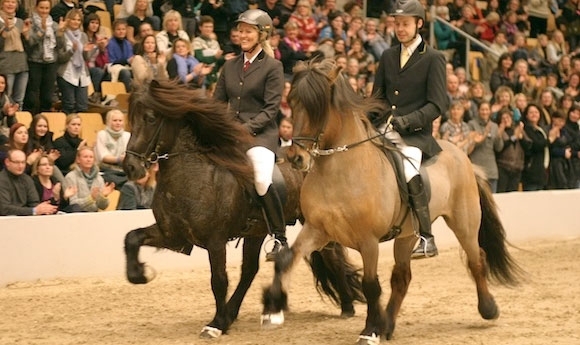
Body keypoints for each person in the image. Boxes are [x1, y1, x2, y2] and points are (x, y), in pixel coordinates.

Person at [371, 0, 448, 259]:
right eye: (396, 24)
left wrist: (407, 121)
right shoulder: (388, 55)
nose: (400, 29)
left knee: (408, 166)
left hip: (415, 135)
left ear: (419, 24)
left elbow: (437, 105)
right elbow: (378, 97)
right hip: (384, 129)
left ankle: (426, 236)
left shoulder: (434, 58)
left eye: (405, 24)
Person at [214, 9, 287, 261]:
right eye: (240, 30)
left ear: (262, 34)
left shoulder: (273, 67)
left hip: (260, 137)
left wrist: (243, 130)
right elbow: (217, 104)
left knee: (260, 178)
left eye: (248, 31)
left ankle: (279, 237)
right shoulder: (229, 66)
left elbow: (270, 110)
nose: (242, 35)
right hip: (230, 136)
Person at [24, 0, 66, 115]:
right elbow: (30, 44)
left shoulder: (54, 25)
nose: (44, 11)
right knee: (32, 95)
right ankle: (30, 118)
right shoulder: (30, 23)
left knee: (47, 96)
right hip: (35, 61)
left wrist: (60, 33)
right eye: (41, 8)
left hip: (51, 62)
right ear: (36, 8)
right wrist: (42, 31)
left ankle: (45, 119)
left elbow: (61, 46)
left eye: (46, 8)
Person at [0, 149, 58, 216]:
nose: (20, 166)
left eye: (23, 162)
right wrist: (33, 210)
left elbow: (34, 203)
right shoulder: (2, 180)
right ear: (7, 162)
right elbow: (4, 209)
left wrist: (44, 209)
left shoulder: (27, 179)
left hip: (27, 219)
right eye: (17, 162)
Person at [57, 9, 90, 114]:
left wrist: (85, 51)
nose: (76, 22)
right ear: (68, 20)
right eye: (73, 19)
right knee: (69, 104)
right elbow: (60, 58)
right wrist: (72, 51)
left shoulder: (83, 35)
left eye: (78, 20)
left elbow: (86, 58)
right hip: (67, 73)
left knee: (83, 105)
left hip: (81, 74)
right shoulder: (62, 35)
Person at [0, 0, 31, 110]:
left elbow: (29, 46)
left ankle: (17, 125)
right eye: (7, 1)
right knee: (6, 99)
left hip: (22, 65)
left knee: (19, 101)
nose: (10, 4)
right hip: (6, 65)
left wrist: (26, 35)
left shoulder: (20, 22)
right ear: (2, 4)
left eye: (13, 2)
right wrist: (4, 31)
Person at [468, 101, 504, 192]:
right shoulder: (471, 124)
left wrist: (499, 137)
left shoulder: (494, 126)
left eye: (487, 110)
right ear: (478, 111)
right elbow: (468, 147)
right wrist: (483, 136)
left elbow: (498, 148)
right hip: (477, 169)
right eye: (482, 110)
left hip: (491, 170)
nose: (484, 112)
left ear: (490, 111)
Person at [65, 146, 114, 212]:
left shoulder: (99, 178)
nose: (88, 159)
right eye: (85, 157)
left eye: (91, 157)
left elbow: (103, 207)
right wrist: (90, 198)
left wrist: (103, 196)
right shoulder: (71, 177)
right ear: (78, 159)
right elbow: (73, 203)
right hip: (77, 215)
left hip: (93, 215)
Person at [495, 107, 530, 192]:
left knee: (513, 194)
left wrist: (521, 138)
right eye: (503, 118)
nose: (505, 120)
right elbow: (499, 148)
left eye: (507, 117)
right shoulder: (499, 131)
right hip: (503, 167)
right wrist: (514, 137)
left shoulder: (518, 129)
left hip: (517, 167)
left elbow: (528, 146)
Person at [95, 109, 130, 188]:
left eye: (120, 120)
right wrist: (118, 159)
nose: (118, 123)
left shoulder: (127, 135)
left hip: (123, 169)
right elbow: (103, 157)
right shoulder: (102, 134)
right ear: (108, 122)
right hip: (106, 169)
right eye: (115, 120)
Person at [0, 74, 18, 145]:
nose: (0, 85)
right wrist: (3, 113)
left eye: (2, 83)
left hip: (5, 132)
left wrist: (10, 116)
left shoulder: (8, 100)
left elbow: (13, 125)